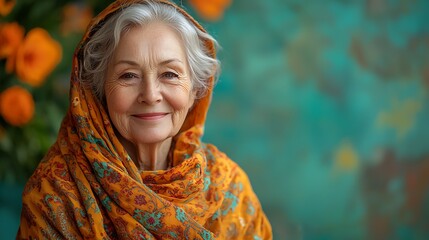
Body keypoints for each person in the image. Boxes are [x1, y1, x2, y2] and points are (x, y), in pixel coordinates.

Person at [17, 0, 272, 239]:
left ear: (196, 88)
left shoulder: (228, 188)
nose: (150, 95)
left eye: (170, 74)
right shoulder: (56, 194)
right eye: (128, 76)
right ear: (99, 90)